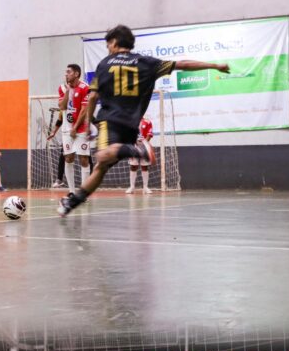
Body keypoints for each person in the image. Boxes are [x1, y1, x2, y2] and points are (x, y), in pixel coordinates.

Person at [58, 25, 229, 216]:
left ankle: (137, 150)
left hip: (110, 121)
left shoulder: (104, 64)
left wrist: (90, 122)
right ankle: (72, 202)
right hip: (132, 126)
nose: (108, 49)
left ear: (114, 42)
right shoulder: (147, 62)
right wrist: (214, 66)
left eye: (108, 45)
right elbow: (182, 64)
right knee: (101, 167)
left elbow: (92, 97)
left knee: (102, 156)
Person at [47, 64, 90, 200]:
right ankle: (71, 191)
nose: (66, 74)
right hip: (66, 130)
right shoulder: (62, 88)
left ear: (76, 74)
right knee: (68, 158)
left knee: (84, 159)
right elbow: (62, 106)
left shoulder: (85, 88)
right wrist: (68, 91)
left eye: (69, 72)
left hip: (81, 129)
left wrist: (75, 127)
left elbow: (84, 110)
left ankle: (83, 193)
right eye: (66, 72)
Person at [125, 117, 153, 195]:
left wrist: (143, 145)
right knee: (133, 166)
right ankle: (132, 187)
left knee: (145, 166)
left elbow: (149, 134)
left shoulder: (147, 122)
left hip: (145, 145)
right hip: (134, 145)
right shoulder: (131, 121)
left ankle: (145, 187)